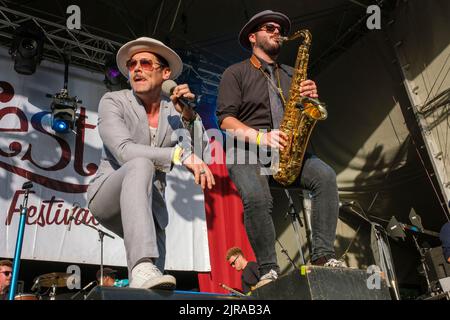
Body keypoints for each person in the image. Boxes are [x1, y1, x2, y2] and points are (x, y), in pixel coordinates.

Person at [217, 10, 345, 289]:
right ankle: (268, 270)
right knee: (256, 197)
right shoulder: (235, 73)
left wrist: (308, 98)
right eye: (268, 28)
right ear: (253, 37)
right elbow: (225, 120)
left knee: (325, 177)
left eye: (278, 28)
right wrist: (261, 138)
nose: (276, 31)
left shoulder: (291, 74)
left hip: (285, 151)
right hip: (247, 151)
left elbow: (302, 114)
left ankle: (322, 256)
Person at [87, 37, 215, 290]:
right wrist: (178, 156)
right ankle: (142, 264)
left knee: (152, 288)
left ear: (165, 74)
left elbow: (203, 154)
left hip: (150, 208)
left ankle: (142, 272)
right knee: (140, 163)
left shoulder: (174, 111)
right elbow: (124, 151)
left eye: (145, 63)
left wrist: (189, 116)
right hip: (107, 196)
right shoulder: (113, 101)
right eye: (131, 64)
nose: (136, 68)